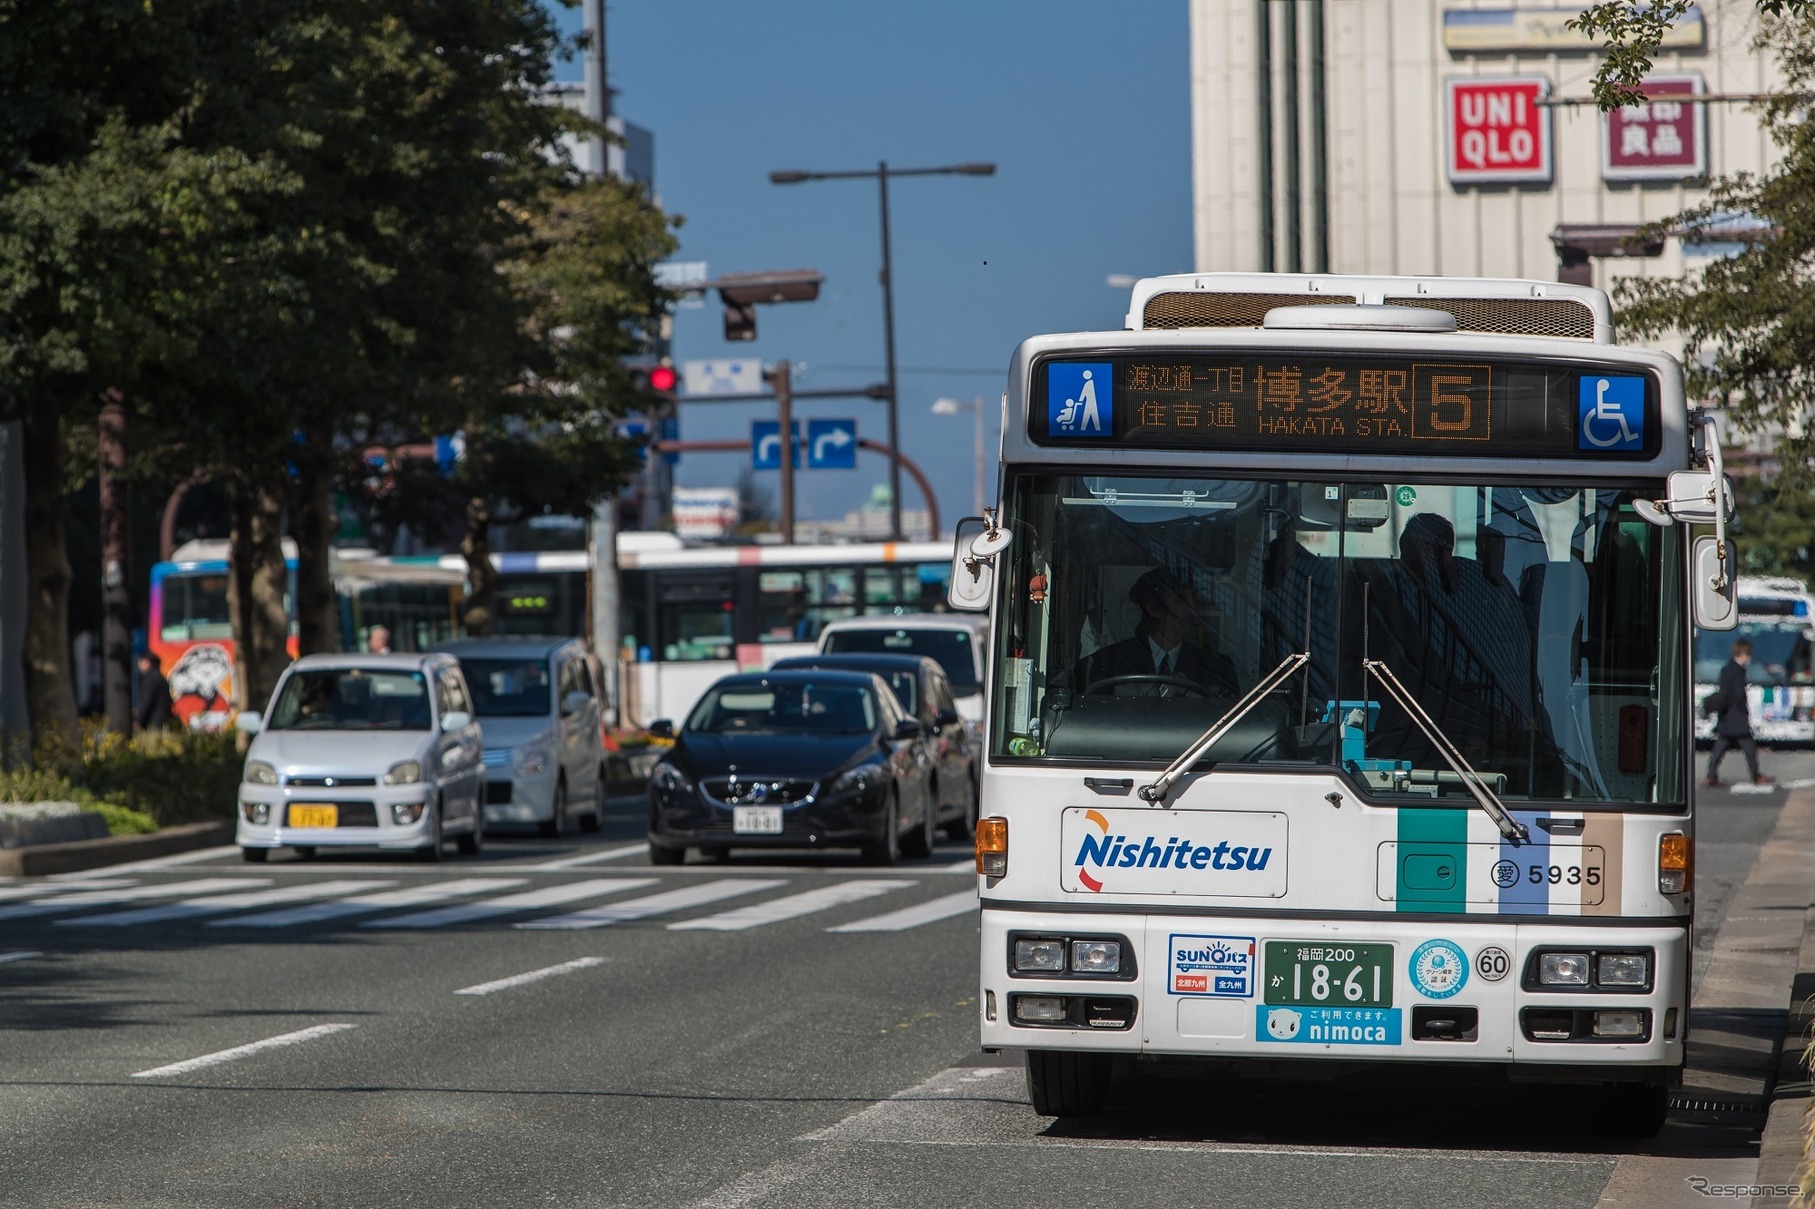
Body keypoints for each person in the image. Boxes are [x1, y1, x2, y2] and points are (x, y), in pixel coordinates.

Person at [1079, 566, 1238, 697]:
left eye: (1194, 599)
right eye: (1182, 599)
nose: (1193, 607)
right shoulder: (1108, 663)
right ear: (1154, 609)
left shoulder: (1217, 669)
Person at [1708, 638, 1774, 787]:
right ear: (1742, 654)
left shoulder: (1726, 669)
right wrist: (1744, 709)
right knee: (1748, 747)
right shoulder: (1737, 671)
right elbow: (1738, 694)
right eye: (1748, 654)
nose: (1748, 658)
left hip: (1727, 716)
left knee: (1721, 745)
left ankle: (1711, 775)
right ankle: (1756, 775)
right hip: (1736, 715)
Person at [135, 652, 173, 732]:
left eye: (141, 661)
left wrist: (139, 720)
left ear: (148, 662)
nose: (139, 665)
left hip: (153, 720)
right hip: (162, 719)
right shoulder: (159, 676)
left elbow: (146, 701)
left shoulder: (150, 679)